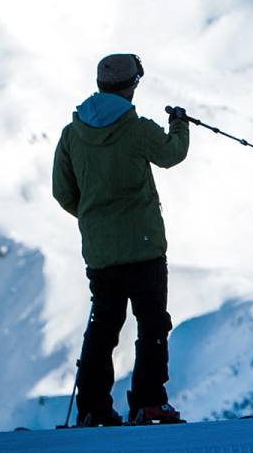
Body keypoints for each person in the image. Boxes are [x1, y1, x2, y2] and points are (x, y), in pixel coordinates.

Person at [52, 52, 190, 426]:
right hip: (143, 245)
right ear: (131, 86)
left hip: (100, 252)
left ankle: (93, 407)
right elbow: (171, 154)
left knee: (103, 327)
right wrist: (179, 125)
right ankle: (148, 402)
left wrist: (93, 218)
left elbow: (63, 192)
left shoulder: (71, 135)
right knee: (152, 323)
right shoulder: (137, 129)